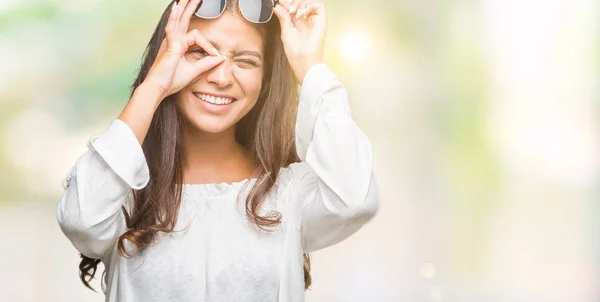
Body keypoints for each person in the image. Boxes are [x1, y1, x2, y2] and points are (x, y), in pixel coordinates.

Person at [56, 0, 379, 301]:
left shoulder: (288, 195)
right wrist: (154, 87)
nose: (222, 77)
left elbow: (354, 199)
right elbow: (81, 221)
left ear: (265, 79)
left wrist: (310, 67)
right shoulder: (122, 191)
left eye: (246, 61)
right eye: (200, 51)